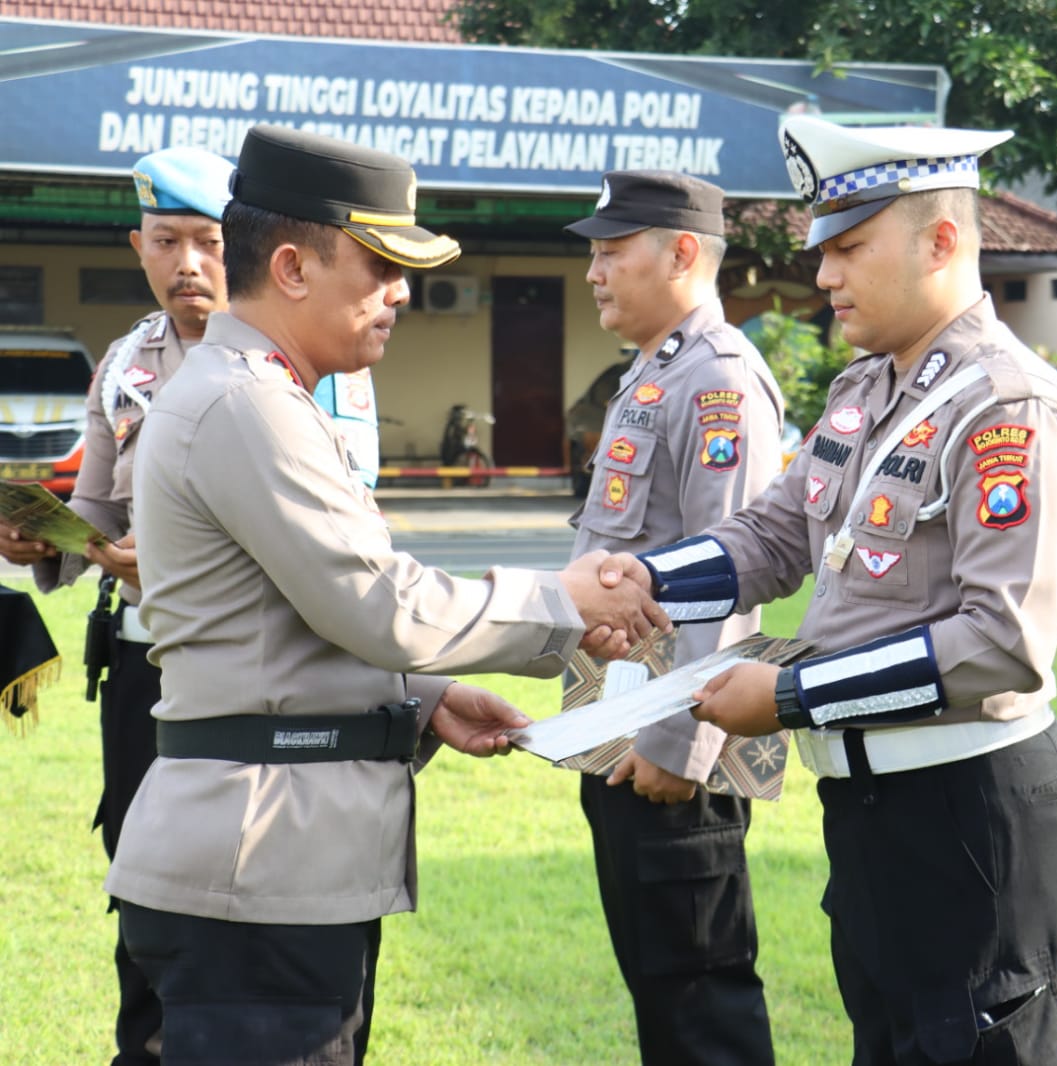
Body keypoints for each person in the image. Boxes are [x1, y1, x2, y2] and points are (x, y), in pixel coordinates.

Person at [103, 124, 667, 1066]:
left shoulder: (262, 393)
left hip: (273, 855)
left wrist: (421, 695)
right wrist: (567, 602)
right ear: (291, 267)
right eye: (379, 266)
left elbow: (287, 618)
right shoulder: (248, 403)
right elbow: (379, 603)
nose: (401, 292)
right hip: (259, 864)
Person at [619, 115, 1057, 1065]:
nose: (824, 276)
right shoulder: (865, 390)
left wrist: (789, 697)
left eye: (849, 248)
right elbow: (773, 536)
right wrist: (644, 581)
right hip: (873, 808)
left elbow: (1000, 642)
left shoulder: (1007, 406)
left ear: (941, 240)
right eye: (823, 250)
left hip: (970, 808)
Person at [0, 145, 233, 1066]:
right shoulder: (126, 360)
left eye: (208, 241)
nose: (187, 263)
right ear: (137, 247)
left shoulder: (293, 354)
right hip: (139, 663)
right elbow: (96, 506)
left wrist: (171, 562)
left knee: (228, 890)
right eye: (165, 241)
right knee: (139, 875)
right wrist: (43, 537)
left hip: (240, 666)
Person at [561, 169, 786, 1065]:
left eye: (611, 251)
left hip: (671, 740)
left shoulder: (718, 380)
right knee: (660, 988)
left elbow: (734, 573)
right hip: (621, 724)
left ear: (682, 253)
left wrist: (679, 743)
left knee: (700, 1001)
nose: (593, 272)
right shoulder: (656, 372)